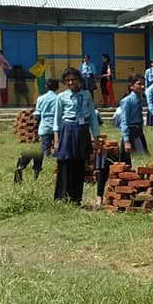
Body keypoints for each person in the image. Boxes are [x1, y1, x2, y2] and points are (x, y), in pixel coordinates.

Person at [51, 67, 100, 204]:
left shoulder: (87, 95)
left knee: (79, 164)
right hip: (68, 129)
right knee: (65, 163)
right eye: (68, 80)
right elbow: (57, 119)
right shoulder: (61, 97)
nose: (71, 82)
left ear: (80, 80)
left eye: (74, 79)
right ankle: (61, 197)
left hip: (82, 129)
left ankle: (76, 198)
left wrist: (96, 137)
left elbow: (92, 118)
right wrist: (56, 139)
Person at [15, 78, 60, 183]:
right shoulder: (59, 98)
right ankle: (54, 164)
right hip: (57, 127)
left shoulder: (41, 98)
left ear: (46, 87)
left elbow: (37, 115)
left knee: (44, 149)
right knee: (58, 147)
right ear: (57, 87)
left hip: (44, 126)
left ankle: (35, 163)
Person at [115, 74, 149, 161]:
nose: (142, 86)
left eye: (143, 84)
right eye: (139, 84)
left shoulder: (139, 99)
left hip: (138, 131)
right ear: (131, 86)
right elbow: (124, 120)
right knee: (129, 161)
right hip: (131, 132)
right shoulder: (127, 101)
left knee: (143, 159)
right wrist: (126, 140)